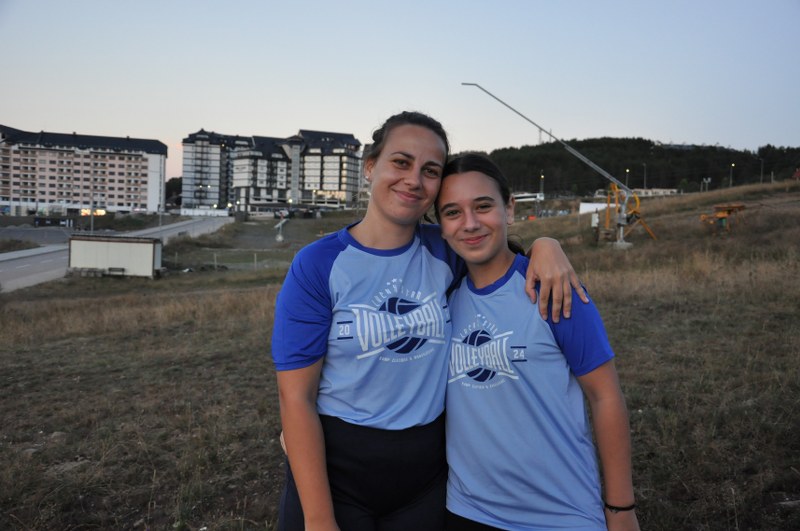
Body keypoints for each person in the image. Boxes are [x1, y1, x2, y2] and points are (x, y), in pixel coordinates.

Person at [271, 112, 585, 531]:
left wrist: (547, 244)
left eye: (430, 170)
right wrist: (318, 519)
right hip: (339, 468)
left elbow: (499, 252)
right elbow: (295, 397)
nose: (414, 180)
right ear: (370, 167)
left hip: (425, 476)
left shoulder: (447, 250)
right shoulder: (318, 264)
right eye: (401, 162)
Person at [436, 153, 640, 531]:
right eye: (452, 212)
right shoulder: (441, 302)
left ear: (509, 209)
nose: (470, 223)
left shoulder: (552, 288)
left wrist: (621, 508)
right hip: (468, 512)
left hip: (561, 514)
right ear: (440, 226)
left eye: (483, 206)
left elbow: (605, 397)